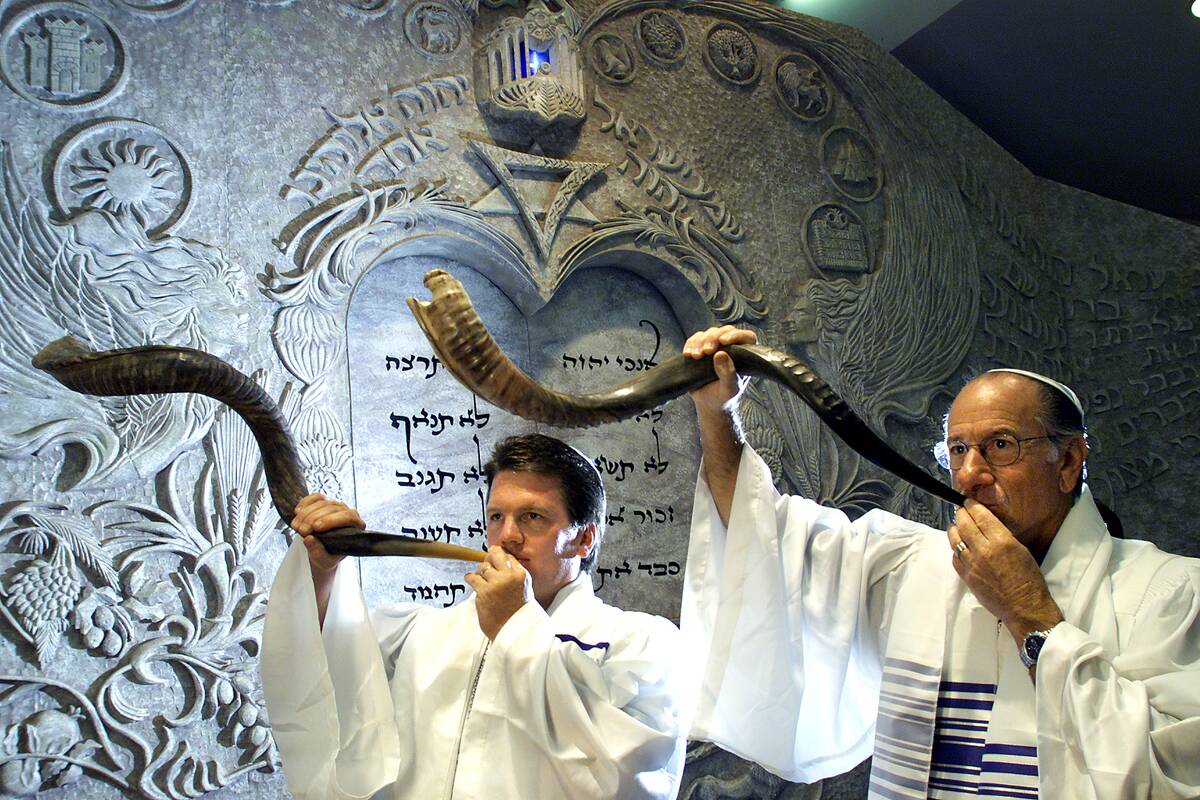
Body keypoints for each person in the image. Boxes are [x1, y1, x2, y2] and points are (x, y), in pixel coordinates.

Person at [679, 325, 1200, 799]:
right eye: (956, 450)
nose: (969, 474)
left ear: (1068, 462)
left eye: (1000, 445)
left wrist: (1028, 612)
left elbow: (1170, 780)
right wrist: (717, 413)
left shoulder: (1169, 594)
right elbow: (761, 535)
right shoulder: (914, 568)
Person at [260, 433, 687, 799]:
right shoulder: (423, 633)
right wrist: (322, 569)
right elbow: (327, 675)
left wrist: (515, 627)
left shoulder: (640, 643)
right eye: (497, 516)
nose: (507, 536)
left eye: (533, 517)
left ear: (583, 538)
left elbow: (627, 781)